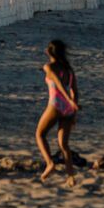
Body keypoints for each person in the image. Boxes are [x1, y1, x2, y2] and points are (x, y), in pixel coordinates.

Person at [36, 39, 81, 179]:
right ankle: (70, 175)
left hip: (56, 104)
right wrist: (73, 107)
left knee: (40, 134)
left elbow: (58, 83)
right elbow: (75, 91)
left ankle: (50, 163)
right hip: (68, 108)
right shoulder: (69, 70)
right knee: (64, 144)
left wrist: (68, 99)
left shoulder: (49, 67)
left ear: (48, 52)